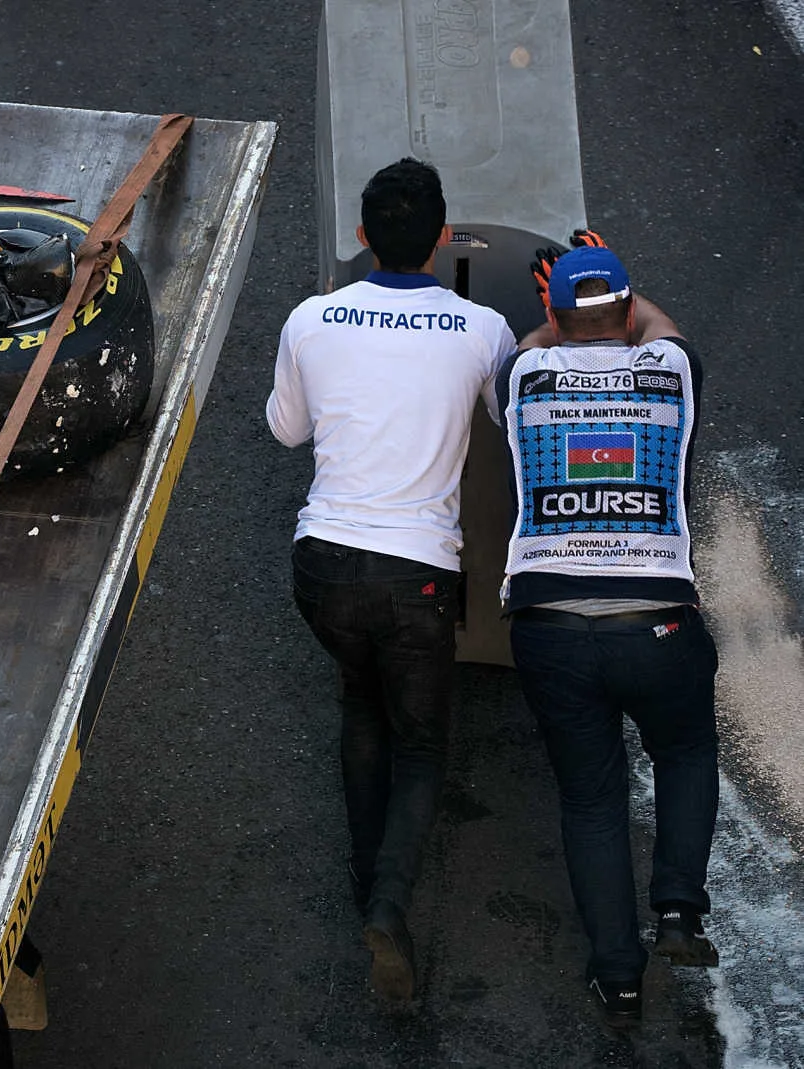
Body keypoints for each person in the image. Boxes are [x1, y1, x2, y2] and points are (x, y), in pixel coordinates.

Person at [267, 158, 516, 1003]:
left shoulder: (311, 317)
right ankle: (389, 903)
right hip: (416, 576)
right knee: (421, 741)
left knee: (359, 697)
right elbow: (508, 421)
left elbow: (286, 431)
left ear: (364, 236)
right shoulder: (483, 329)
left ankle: (362, 887)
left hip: (323, 567)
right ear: (443, 238)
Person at [496, 234, 719, 1029]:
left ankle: (618, 977)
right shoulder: (670, 373)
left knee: (591, 799)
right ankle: (679, 913)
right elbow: (667, 329)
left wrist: (559, 309)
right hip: (656, 619)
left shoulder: (527, 373)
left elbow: (536, 339)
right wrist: (619, 284)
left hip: (550, 626)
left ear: (550, 314)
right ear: (627, 312)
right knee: (686, 749)